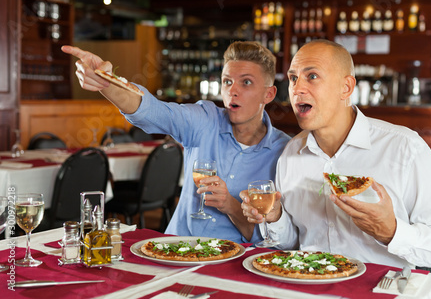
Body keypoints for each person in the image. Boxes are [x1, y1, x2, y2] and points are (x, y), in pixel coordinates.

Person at [241, 39, 431, 269]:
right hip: (310, 286)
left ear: (346, 87)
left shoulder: (405, 148)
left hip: (382, 291)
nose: (297, 88)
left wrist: (392, 232)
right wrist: (276, 216)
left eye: (312, 76)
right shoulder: (291, 154)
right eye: (293, 78)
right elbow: (294, 242)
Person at [62, 41, 290, 244]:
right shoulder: (205, 119)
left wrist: (229, 204)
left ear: (268, 95)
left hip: (233, 264)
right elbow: (153, 112)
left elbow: (267, 237)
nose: (233, 91)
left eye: (246, 82)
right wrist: (106, 83)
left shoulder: (285, 152)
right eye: (227, 81)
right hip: (174, 250)